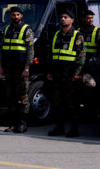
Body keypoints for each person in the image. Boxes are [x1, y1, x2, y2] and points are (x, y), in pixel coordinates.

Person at [47, 8, 85, 138]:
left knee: (72, 103)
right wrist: (50, 71)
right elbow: (51, 54)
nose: (62, 19)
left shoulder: (77, 35)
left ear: (72, 20)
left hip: (69, 75)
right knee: (57, 102)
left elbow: (81, 55)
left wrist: (77, 73)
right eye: (62, 17)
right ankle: (60, 127)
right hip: (57, 73)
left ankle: (74, 129)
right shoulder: (56, 34)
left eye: (66, 17)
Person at [0, 6, 34, 133]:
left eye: (18, 15)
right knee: (11, 96)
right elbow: (3, 50)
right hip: (9, 68)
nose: (16, 17)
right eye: (13, 15)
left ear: (22, 16)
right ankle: (13, 123)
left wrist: (27, 68)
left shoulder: (26, 29)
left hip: (21, 69)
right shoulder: (7, 29)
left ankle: (23, 123)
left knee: (22, 97)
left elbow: (30, 51)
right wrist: (1, 67)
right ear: (10, 16)